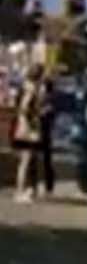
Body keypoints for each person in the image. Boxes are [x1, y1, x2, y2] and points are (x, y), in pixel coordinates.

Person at [12, 64, 47, 202]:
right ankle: (20, 192)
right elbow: (25, 108)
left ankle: (25, 190)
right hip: (27, 129)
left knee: (26, 160)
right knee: (25, 160)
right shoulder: (31, 88)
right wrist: (37, 115)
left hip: (23, 127)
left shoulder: (26, 86)